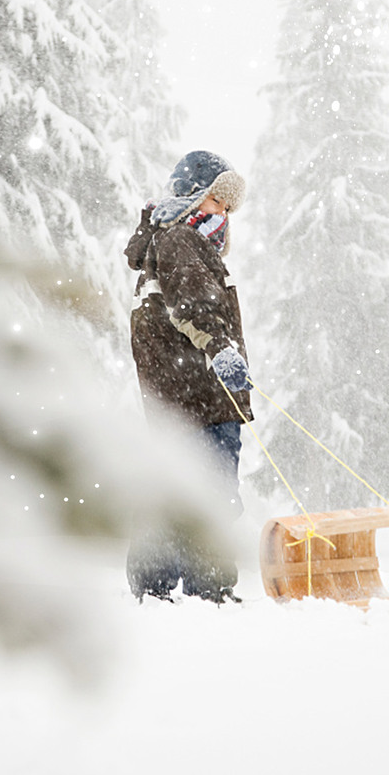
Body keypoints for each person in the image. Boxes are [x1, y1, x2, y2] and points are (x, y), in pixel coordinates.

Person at [124, 150, 253, 604]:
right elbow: (191, 306)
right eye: (219, 202)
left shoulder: (166, 242)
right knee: (211, 491)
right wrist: (222, 352)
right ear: (194, 197)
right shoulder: (181, 241)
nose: (224, 215)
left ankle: (155, 584)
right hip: (200, 393)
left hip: (178, 396)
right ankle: (207, 588)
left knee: (176, 488)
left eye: (229, 208)